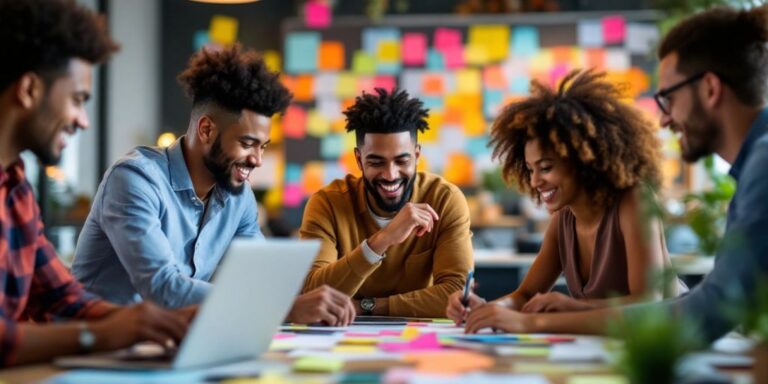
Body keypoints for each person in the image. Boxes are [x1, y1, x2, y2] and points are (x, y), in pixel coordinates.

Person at [459, 5, 768, 342]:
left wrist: (538, 322)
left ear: (710, 88)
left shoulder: (761, 167)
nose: (663, 119)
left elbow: (702, 309)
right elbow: (715, 305)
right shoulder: (754, 166)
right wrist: (495, 310)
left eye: (668, 98)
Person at [72, 45, 355, 326]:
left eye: (263, 146)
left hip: (166, 342)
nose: (257, 160)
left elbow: (258, 278)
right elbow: (162, 288)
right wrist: (286, 308)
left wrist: (305, 301)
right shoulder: (135, 179)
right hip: (94, 344)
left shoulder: (238, 197)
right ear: (206, 130)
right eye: (247, 144)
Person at [0, 0, 195, 366]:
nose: (83, 121)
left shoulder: (17, 191)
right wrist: (97, 335)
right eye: (77, 100)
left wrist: (151, 322)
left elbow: (62, 297)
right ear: (29, 90)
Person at [446, 70, 685, 323]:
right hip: (612, 346)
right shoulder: (564, 218)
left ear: (583, 160)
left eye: (546, 167)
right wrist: (484, 309)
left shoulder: (633, 199)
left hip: (675, 337)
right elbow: (525, 294)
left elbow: (649, 301)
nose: (535, 181)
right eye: (530, 169)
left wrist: (570, 307)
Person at [299, 88, 473, 318]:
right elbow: (311, 294)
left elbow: (458, 295)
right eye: (376, 162)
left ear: (417, 155)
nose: (390, 175)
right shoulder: (327, 204)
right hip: (339, 338)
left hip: (419, 339)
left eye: (402, 160)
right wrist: (381, 241)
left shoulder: (444, 199)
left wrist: (366, 307)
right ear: (359, 160)